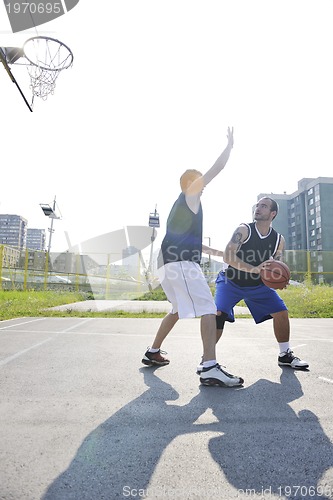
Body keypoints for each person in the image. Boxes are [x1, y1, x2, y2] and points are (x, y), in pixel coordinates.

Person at [141, 127, 244, 387]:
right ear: (192, 183)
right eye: (200, 181)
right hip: (180, 264)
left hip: (167, 263)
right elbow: (215, 169)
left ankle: (153, 351)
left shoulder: (185, 207)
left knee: (176, 309)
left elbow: (192, 243)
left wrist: (218, 253)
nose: (204, 185)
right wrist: (229, 148)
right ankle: (210, 366)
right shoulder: (190, 196)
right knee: (209, 309)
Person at [198, 197, 309, 373]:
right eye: (258, 205)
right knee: (217, 313)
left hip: (257, 285)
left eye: (263, 206)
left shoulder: (279, 239)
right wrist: (255, 269)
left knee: (281, 312)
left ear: (273, 214)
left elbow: (275, 265)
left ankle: (284, 354)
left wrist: (280, 280)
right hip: (231, 281)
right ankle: (207, 360)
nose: (258, 208)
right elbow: (228, 256)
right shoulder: (243, 230)